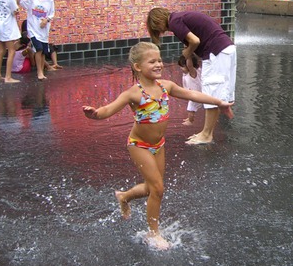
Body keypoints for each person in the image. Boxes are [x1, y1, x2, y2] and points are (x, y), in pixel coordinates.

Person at [82, 42, 233, 250]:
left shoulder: (166, 86)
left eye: (160, 60)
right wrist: (95, 114)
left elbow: (192, 94)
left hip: (159, 145)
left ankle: (124, 196)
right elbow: (107, 110)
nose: (158, 64)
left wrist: (218, 102)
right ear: (137, 67)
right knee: (158, 189)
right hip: (139, 145)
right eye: (152, 61)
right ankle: (153, 234)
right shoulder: (133, 94)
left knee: (152, 189)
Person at [147, 7, 236, 145]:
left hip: (216, 51)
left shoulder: (174, 22)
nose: (161, 32)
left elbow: (195, 41)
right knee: (216, 90)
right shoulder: (180, 17)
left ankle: (206, 134)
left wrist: (185, 54)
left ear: (158, 20)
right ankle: (214, 120)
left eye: (157, 28)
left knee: (211, 91)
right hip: (226, 48)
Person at [0, 0, 30, 83]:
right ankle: (8, 77)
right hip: (7, 26)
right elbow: (15, 10)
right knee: (11, 51)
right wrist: (17, 10)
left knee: (1, 50)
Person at [19, 0, 56, 81]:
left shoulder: (50, 1)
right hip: (33, 30)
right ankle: (39, 72)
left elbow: (52, 14)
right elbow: (19, 1)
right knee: (38, 49)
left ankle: (42, 72)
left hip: (43, 31)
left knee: (44, 51)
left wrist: (46, 20)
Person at [178, 52, 202, 125]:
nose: (180, 68)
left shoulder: (193, 73)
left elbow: (189, 65)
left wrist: (188, 55)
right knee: (192, 109)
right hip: (194, 94)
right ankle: (190, 118)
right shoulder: (188, 73)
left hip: (196, 95)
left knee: (191, 109)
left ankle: (190, 121)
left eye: (182, 66)